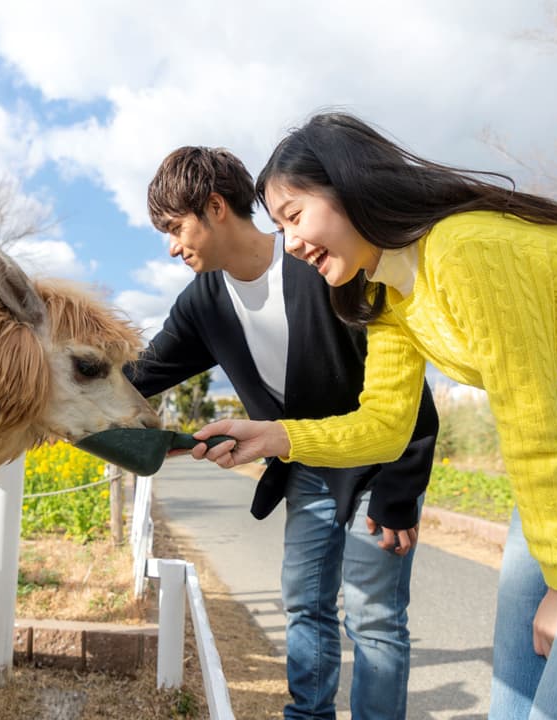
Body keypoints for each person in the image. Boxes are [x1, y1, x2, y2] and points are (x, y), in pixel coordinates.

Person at [193, 113, 557, 720]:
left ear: (350, 187)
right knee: (515, 693)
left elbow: (525, 412)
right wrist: (274, 436)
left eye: (294, 216)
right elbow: (383, 424)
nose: (291, 243)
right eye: (280, 227)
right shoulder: (388, 293)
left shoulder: (465, 247)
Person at [125, 145, 439, 720]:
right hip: (304, 470)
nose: (171, 246)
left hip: (379, 465)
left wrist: (400, 493)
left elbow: (408, 390)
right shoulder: (203, 302)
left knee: (373, 617)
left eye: (175, 228)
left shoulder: (322, 260)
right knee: (305, 604)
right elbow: (141, 377)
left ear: (215, 207)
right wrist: (56, 405)